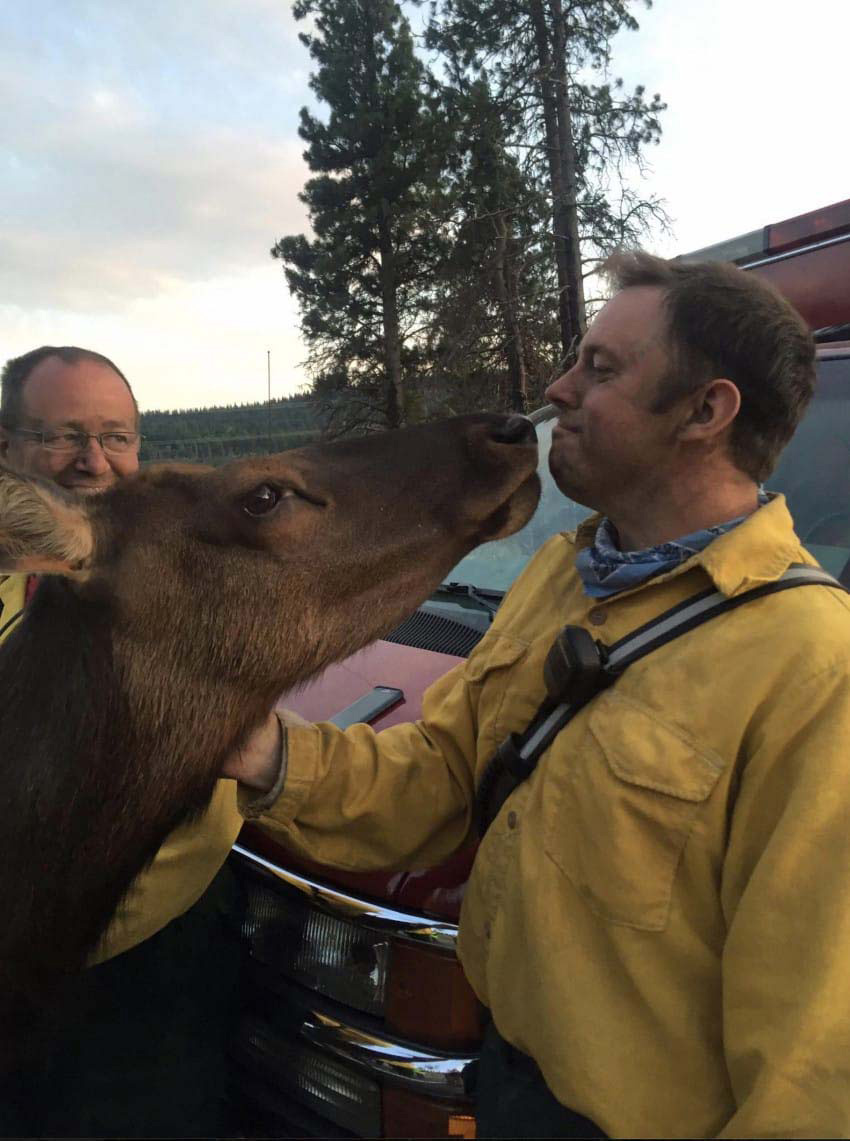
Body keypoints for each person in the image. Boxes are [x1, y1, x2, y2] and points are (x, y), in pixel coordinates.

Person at [226, 252, 850, 1138]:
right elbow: (441, 773)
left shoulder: (815, 668)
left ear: (707, 411)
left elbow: (816, 1063)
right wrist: (265, 752)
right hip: (509, 1082)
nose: (557, 388)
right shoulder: (564, 575)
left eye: (600, 369)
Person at [0, 346, 245, 1138]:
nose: (93, 461)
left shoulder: (211, 576)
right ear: (7, 449)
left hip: (153, 958)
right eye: (64, 436)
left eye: (116, 436)